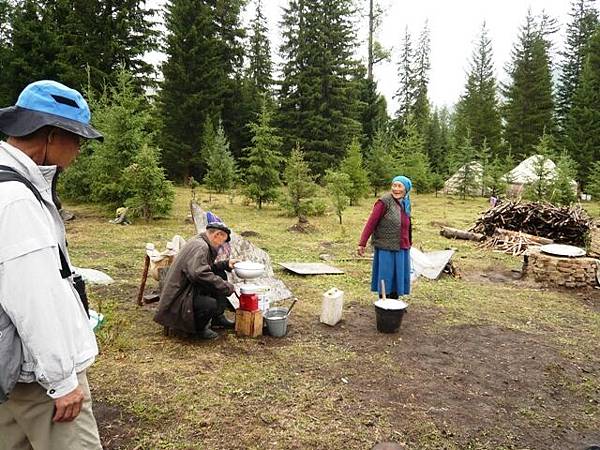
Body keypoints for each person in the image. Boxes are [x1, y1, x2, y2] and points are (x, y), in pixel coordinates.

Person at [0, 80, 103, 449]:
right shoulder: (16, 200)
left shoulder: (11, 186)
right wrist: (62, 381)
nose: (78, 150)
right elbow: (34, 297)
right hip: (37, 377)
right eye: (76, 139)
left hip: (11, 369)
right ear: (50, 136)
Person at [154, 222, 238, 340]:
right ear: (217, 235)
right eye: (223, 241)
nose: (222, 245)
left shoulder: (199, 241)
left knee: (220, 273)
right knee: (209, 304)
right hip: (179, 298)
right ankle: (199, 329)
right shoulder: (201, 247)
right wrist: (226, 287)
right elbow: (199, 274)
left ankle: (217, 318)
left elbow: (203, 268)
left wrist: (225, 264)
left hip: (187, 288)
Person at [358, 176, 413, 299]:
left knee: (397, 276)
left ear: (406, 189)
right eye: (394, 185)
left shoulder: (406, 202)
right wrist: (362, 243)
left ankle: (394, 301)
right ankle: (384, 303)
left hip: (402, 246)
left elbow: (407, 224)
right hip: (386, 246)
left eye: (399, 186)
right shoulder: (384, 202)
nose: (396, 189)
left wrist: (409, 241)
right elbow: (371, 222)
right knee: (386, 275)